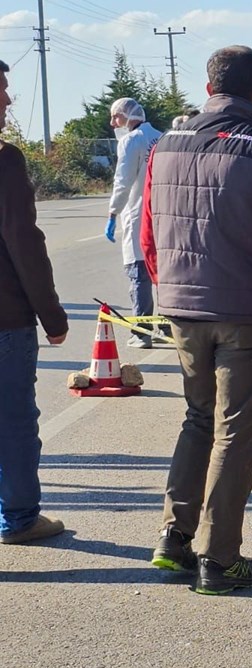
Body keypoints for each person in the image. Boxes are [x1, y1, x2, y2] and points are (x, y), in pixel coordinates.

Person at [141, 45, 252, 595]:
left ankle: (174, 538)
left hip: (183, 308)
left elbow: (149, 236)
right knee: (236, 432)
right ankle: (220, 558)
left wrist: (172, 291)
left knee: (197, 419)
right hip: (245, 313)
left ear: (209, 86)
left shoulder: (164, 145)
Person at [0, 58, 69, 545]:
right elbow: (23, 241)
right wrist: (52, 314)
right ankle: (20, 518)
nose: (7, 100)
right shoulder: (4, 160)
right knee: (14, 422)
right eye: (0, 90)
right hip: (5, 319)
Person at [106, 97, 162, 349]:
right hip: (164, 217)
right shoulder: (162, 138)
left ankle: (141, 332)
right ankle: (166, 324)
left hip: (140, 216)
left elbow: (123, 181)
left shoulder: (131, 141)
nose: (112, 122)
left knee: (139, 274)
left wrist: (113, 212)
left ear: (129, 116)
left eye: (116, 117)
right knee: (164, 274)